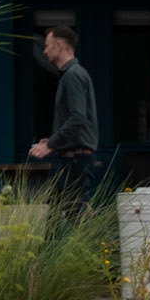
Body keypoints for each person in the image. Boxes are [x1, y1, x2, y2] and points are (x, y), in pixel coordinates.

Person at [29, 24, 100, 204]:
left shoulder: (73, 75)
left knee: (73, 211)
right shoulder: (72, 75)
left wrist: (50, 144)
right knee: (57, 213)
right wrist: (53, 141)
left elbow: (77, 118)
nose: (44, 51)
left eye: (47, 45)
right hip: (69, 158)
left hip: (74, 160)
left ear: (59, 45)